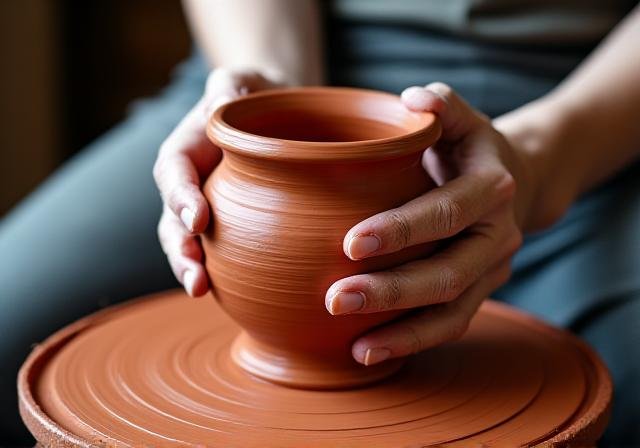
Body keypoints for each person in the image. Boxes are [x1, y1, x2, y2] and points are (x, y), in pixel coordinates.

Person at [1, 0, 638, 445]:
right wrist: (275, 96)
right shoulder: (263, 92)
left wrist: (540, 161)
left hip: (582, 107)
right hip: (258, 74)